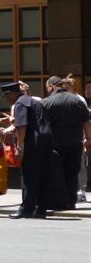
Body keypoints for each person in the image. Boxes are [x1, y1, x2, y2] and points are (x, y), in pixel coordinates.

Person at [1, 82, 52, 219]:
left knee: (29, 176)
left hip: (33, 143)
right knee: (42, 176)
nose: (7, 99)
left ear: (12, 93)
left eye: (7, 96)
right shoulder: (33, 101)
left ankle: (26, 209)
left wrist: (19, 146)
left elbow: (22, 126)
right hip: (46, 142)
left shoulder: (20, 104)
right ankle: (41, 209)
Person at [41, 76, 91, 210]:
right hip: (75, 142)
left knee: (57, 173)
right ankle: (71, 201)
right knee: (72, 172)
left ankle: (59, 202)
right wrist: (89, 138)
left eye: (47, 88)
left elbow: (42, 125)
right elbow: (86, 121)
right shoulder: (78, 100)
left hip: (55, 143)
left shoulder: (46, 102)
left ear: (51, 86)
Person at [62, 75, 90, 203]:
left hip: (79, 136)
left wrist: (86, 137)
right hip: (70, 137)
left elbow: (85, 120)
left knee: (81, 165)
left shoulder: (79, 100)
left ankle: (82, 192)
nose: (64, 88)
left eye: (66, 86)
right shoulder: (66, 98)